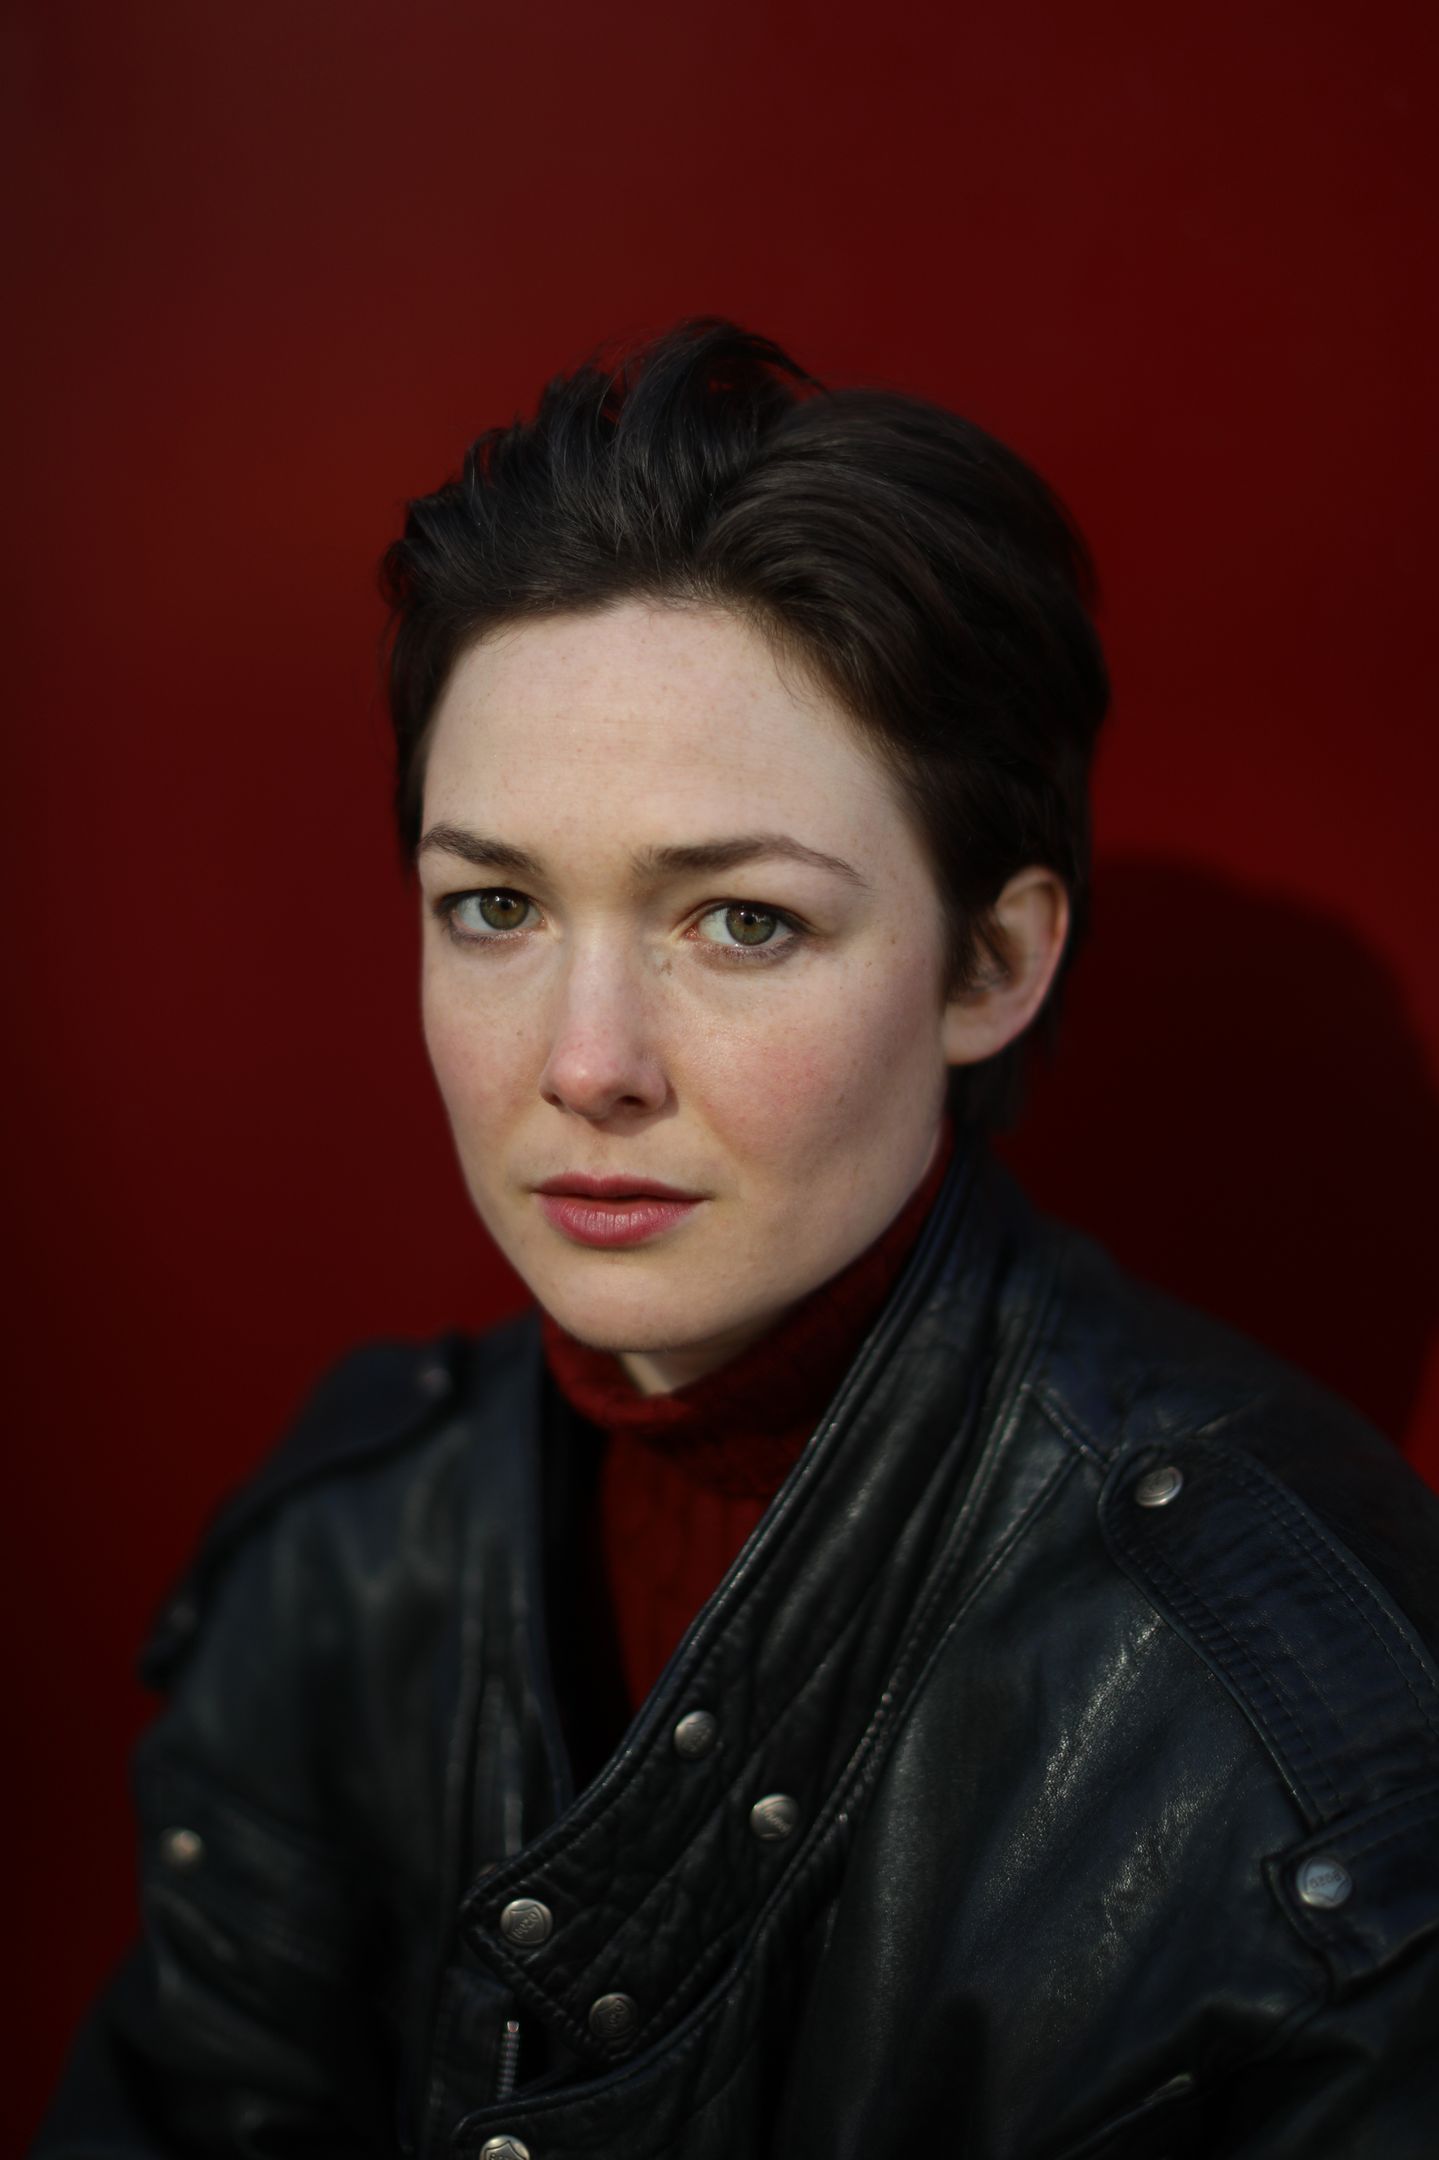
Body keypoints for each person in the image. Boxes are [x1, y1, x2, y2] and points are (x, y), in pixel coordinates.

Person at [33, 318, 1439, 2160]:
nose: (584, 1065)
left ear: (992, 963)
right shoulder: (346, 1559)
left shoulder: (1299, 1731)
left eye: (743, 922)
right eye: (495, 905)